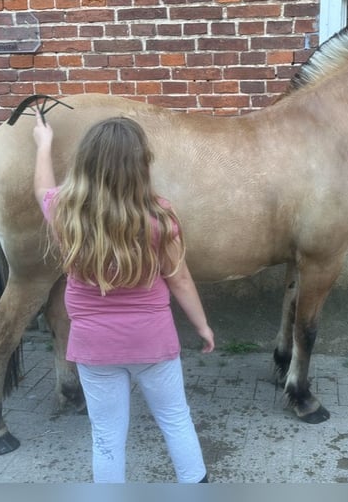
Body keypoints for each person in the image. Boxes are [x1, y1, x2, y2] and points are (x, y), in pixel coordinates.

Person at [32, 106, 215, 483]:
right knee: (175, 419)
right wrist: (202, 327)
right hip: (153, 343)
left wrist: (43, 145)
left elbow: (42, 190)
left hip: (94, 348)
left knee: (107, 437)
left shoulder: (65, 212)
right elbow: (179, 280)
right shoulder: (160, 217)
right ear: (141, 166)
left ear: (85, 164)